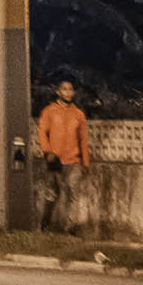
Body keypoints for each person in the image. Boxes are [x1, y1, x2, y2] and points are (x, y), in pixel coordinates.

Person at [38, 79, 90, 230]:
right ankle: (44, 225)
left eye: (70, 89)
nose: (68, 92)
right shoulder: (49, 111)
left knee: (73, 195)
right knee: (52, 194)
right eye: (64, 89)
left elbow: (83, 139)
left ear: (73, 93)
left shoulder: (78, 114)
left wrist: (85, 162)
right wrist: (47, 151)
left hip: (73, 161)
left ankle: (69, 229)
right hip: (55, 160)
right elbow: (42, 132)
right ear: (58, 92)